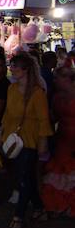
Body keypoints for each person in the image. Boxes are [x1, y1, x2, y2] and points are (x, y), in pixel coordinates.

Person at [1, 53, 53, 228]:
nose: (12, 69)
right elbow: (7, 114)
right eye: (12, 65)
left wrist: (43, 142)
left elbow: (43, 120)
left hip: (30, 139)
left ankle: (19, 216)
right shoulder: (12, 89)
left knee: (23, 177)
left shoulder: (38, 93)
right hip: (13, 140)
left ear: (26, 70)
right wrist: (2, 135)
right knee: (27, 176)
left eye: (15, 66)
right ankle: (39, 209)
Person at [41, 66, 75, 216]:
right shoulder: (56, 96)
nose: (54, 81)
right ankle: (63, 203)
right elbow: (54, 117)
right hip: (62, 136)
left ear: (67, 79)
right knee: (60, 170)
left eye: (57, 78)